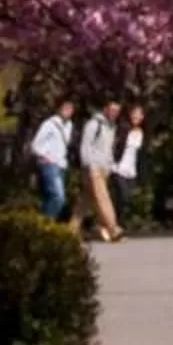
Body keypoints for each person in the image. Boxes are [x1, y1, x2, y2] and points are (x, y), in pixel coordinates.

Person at [80, 101, 125, 242]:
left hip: (104, 168)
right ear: (105, 109)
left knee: (85, 201)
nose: (114, 113)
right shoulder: (94, 124)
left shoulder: (112, 127)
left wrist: (110, 166)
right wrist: (89, 166)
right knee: (103, 198)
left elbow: (109, 149)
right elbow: (85, 146)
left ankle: (71, 230)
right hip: (93, 167)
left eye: (117, 111)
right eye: (112, 110)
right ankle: (114, 230)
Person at [29, 98, 76, 223]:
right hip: (50, 164)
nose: (68, 111)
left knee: (50, 197)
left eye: (70, 109)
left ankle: (40, 223)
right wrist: (44, 156)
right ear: (59, 109)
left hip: (61, 165)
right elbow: (35, 144)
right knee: (58, 197)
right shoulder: (49, 124)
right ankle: (47, 223)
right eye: (65, 108)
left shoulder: (69, 125)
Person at [111, 103, 146, 233]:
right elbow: (114, 145)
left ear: (142, 117)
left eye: (139, 114)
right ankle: (112, 224)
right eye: (134, 113)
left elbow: (138, 154)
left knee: (126, 200)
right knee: (123, 196)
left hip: (131, 171)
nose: (136, 116)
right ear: (130, 115)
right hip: (118, 168)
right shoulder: (123, 128)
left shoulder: (140, 133)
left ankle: (114, 224)